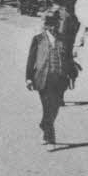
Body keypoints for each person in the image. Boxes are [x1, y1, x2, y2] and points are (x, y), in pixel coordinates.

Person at [25, 10, 70, 146]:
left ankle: (45, 124)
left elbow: (68, 59)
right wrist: (28, 78)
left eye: (56, 23)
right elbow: (31, 59)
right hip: (43, 78)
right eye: (51, 24)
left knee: (55, 107)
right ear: (46, 25)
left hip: (60, 79)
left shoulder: (64, 39)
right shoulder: (38, 39)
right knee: (47, 108)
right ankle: (51, 138)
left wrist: (71, 74)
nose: (54, 27)